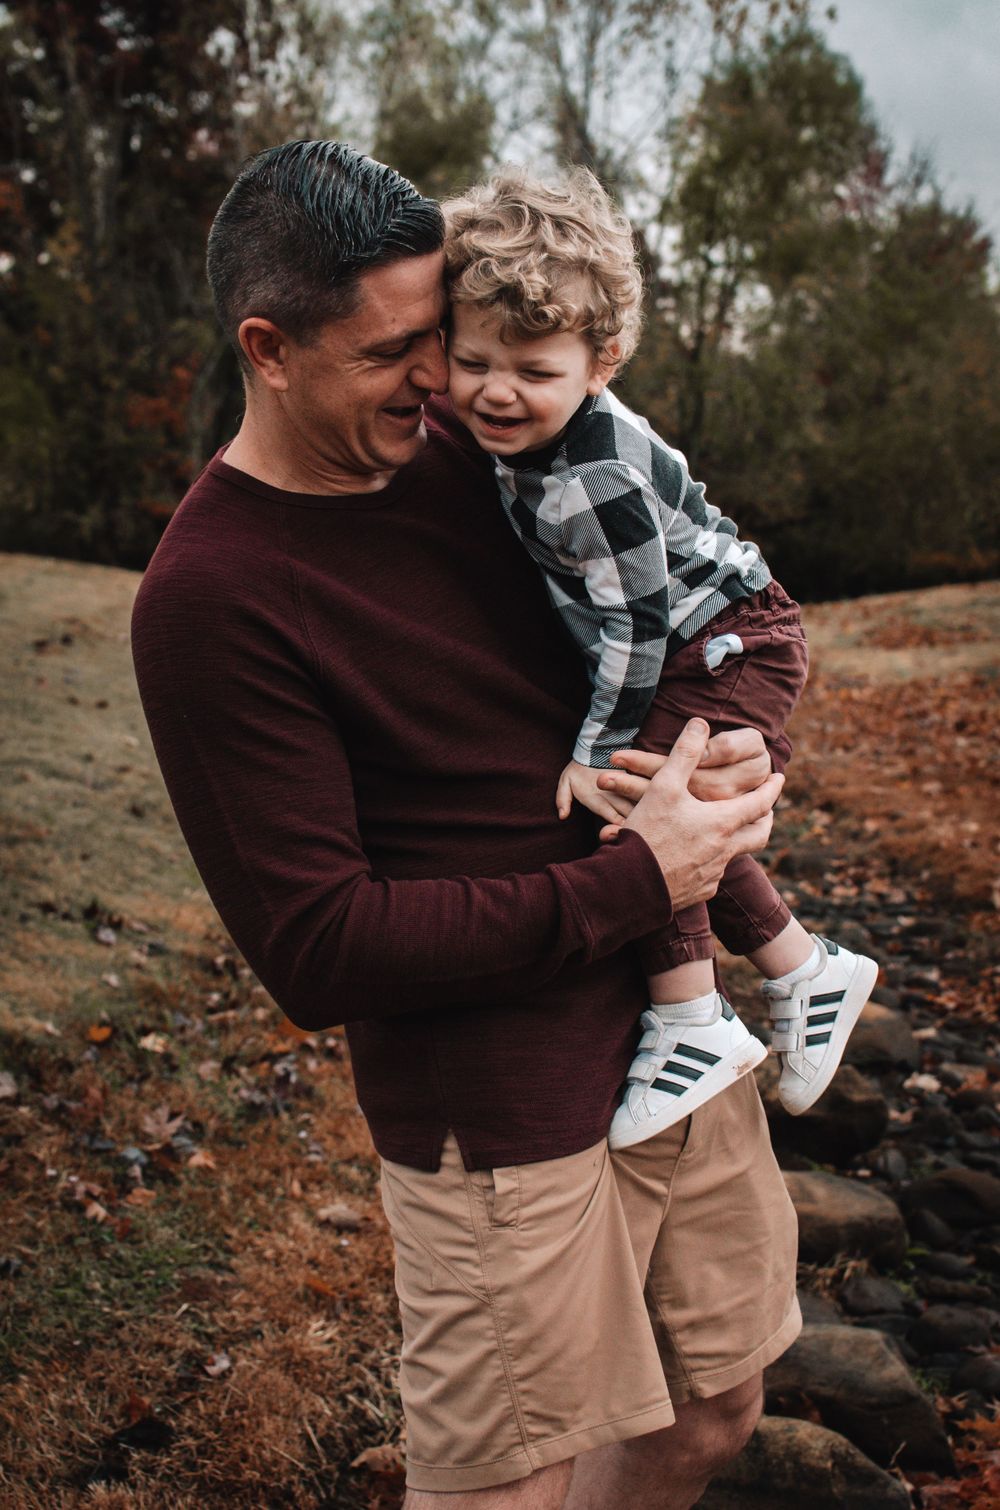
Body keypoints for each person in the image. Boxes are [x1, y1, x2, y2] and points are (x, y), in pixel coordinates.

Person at [131, 139, 800, 1509]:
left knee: (715, 1406)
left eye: (439, 332)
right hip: (495, 1119)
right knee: (508, 1486)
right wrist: (642, 878)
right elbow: (321, 949)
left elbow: (685, 595)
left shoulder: (487, 442)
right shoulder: (214, 597)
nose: (441, 377)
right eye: (394, 351)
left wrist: (735, 748)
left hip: (673, 1032)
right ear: (268, 345)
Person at [441, 166, 878, 1151]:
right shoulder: (523, 440)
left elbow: (636, 626)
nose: (497, 391)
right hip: (701, 636)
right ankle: (803, 967)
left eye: (533, 373)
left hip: (726, 638)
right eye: (471, 362)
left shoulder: (591, 475)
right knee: (651, 798)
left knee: (637, 799)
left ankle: (693, 1019)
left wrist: (594, 748)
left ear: (603, 361)